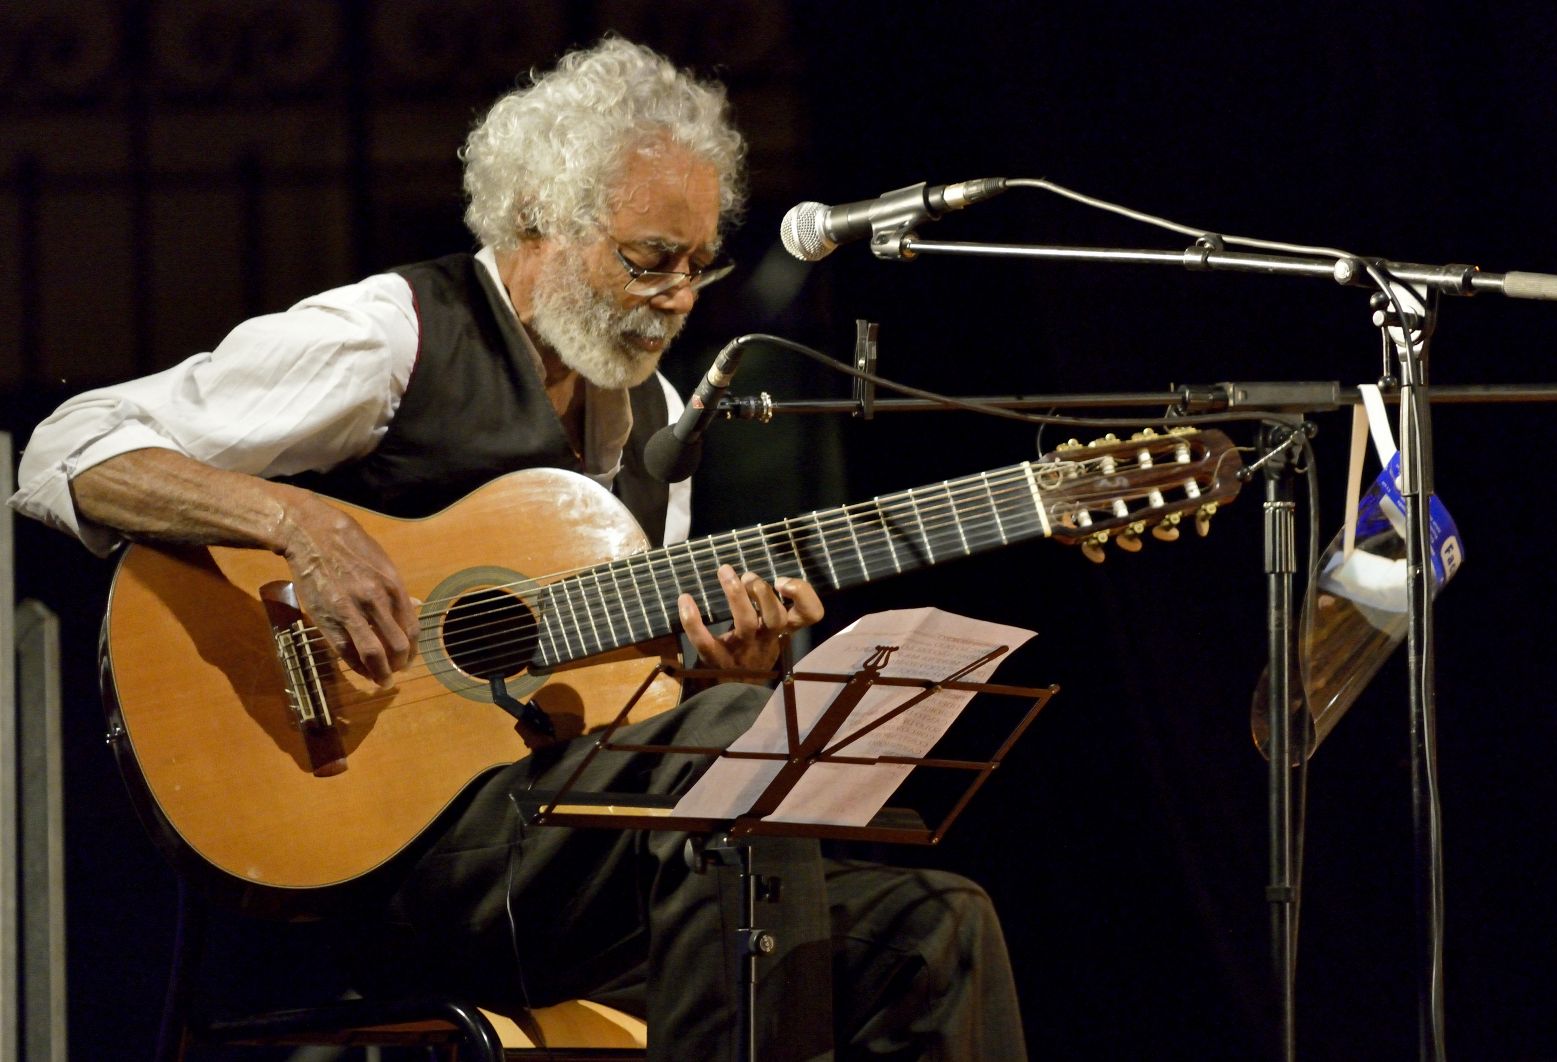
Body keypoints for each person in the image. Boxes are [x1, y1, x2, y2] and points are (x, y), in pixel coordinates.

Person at [10, 37, 1026, 1060]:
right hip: (396, 864)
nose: (679, 298)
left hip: (572, 867)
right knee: (734, 737)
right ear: (541, 219)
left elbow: (636, 720)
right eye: (648, 261)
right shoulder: (394, 336)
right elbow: (69, 448)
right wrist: (295, 524)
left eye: (697, 265)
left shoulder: (656, 418)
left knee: (935, 925)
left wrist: (713, 674)